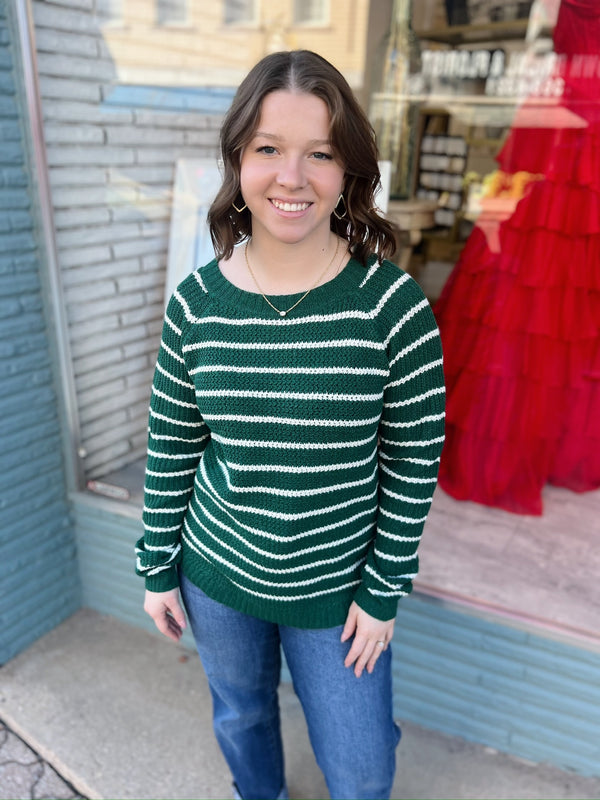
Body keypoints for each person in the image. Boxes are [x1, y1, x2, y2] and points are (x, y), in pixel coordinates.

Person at [135, 49, 445, 800]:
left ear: (349, 173)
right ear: (239, 158)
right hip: (217, 574)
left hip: (338, 595)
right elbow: (173, 442)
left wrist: (382, 593)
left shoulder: (391, 307)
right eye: (268, 149)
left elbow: (414, 460)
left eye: (320, 154)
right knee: (242, 717)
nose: (291, 177)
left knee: (363, 768)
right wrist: (155, 566)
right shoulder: (198, 304)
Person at [433, 0, 600, 515]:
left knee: (536, 270)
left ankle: (527, 446)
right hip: (568, 114)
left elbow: (533, 45)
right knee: (559, 276)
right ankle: (545, 448)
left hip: (563, 108)